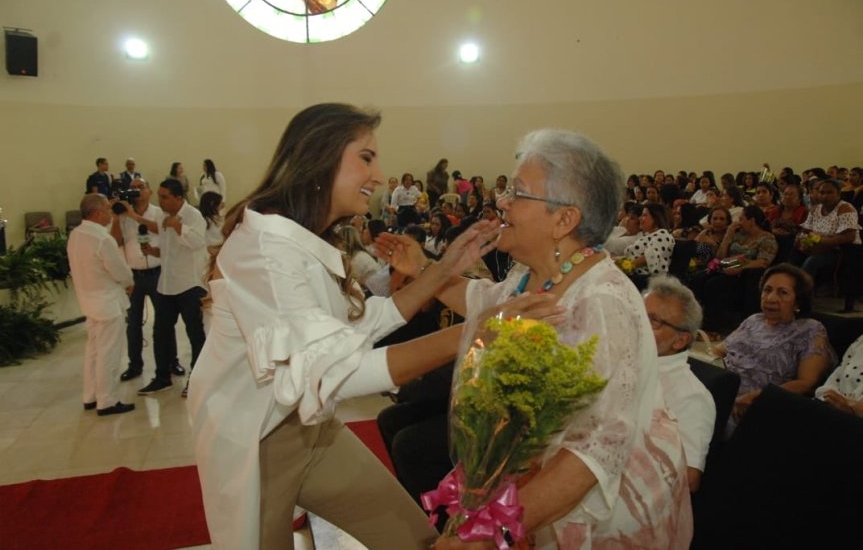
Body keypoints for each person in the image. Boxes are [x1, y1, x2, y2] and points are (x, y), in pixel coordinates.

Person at [186, 103, 546, 550]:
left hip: (311, 432)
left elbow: (358, 325)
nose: (379, 175)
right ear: (320, 158)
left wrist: (443, 268)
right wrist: (474, 331)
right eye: (366, 157)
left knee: (412, 539)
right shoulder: (264, 250)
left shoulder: (305, 239)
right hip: (257, 443)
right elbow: (337, 370)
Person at [382, 128, 692, 549]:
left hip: (593, 509)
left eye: (518, 192)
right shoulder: (533, 275)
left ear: (564, 219)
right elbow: (481, 301)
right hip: (526, 479)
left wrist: (491, 534)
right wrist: (422, 267)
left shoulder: (603, 304)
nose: (502, 201)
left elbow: (591, 456)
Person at [711, 264, 836, 422]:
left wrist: (758, 397)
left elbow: (806, 383)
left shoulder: (809, 329)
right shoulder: (753, 320)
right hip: (721, 393)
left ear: (798, 302)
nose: (771, 299)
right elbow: (719, 351)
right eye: (767, 290)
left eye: (782, 293)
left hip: (757, 407)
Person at [643, 276, 716, 493]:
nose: (637, 323)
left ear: (680, 340)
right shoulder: (622, 359)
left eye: (653, 321)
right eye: (638, 313)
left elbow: (688, 479)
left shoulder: (692, 396)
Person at [138, 178, 208, 398]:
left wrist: (179, 226)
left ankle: (196, 379)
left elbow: (197, 243)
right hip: (166, 285)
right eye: (160, 196)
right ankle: (162, 377)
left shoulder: (193, 216)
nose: (161, 201)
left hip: (189, 285)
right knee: (160, 333)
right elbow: (168, 251)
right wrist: (151, 251)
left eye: (165, 196)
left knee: (195, 334)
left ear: (179, 197)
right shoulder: (161, 217)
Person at [67, 193, 135, 416]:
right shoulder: (102, 239)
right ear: (96, 213)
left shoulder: (76, 235)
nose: (110, 212)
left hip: (88, 301)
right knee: (109, 353)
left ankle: (90, 396)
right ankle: (107, 400)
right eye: (107, 208)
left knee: (94, 350)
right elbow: (120, 271)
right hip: (107, 303)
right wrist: (129, 282)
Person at [109, 178, 165, 382]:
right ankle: (134, 365)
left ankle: (170, 362)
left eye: (140, 188)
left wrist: (135, 216)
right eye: (132, 189)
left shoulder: (158, 212)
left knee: (164, 321)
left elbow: (162, 230)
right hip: (133, 276)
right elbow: (116, 242)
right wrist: (117, 218)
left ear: (149, 191)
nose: (136, 192)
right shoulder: (122, 215)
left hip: (157, 272)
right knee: (133, 324)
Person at [689, 205, 777, 334]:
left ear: (752, 221)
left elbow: (763, 262)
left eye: (741, 219)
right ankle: (696, 319)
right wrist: (728, 235)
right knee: (698, 278)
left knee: (713, 285)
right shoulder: (739, 235)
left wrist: (741, 265)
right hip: (726, 267)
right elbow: (720, 257)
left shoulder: (767, 238)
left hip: (745, 274)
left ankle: (714, 326)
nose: (738, 223)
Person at [791, 178, 861, 281]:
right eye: (822, 192)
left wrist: (822, 242)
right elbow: (805, 230)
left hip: (842, 250)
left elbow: (849, 236)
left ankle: (803, 291)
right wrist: (800, 240)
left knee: (812, 262)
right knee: (793, 254)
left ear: (838, 194)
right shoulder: (815, 209)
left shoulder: (845, 209)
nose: (825, 196)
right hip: (818, 245)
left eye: (830, 192)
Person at [620, 202, 676, 286]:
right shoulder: (647, 235)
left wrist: (626, 266)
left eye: (644, 215)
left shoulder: (662, 234)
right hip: (634, 274)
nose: (640, 219)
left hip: (646, 279)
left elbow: (649, 256)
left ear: (656, 218)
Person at [815, 334, 863, 416]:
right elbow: (834, 380)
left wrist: (851, 407)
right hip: (832, 410)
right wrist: (829, 398)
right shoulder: (860, 342)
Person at [199, 191, 225, 255]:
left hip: (220, 248)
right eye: (220, 203)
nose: (222, 204)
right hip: (210, 251)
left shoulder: (217, 218)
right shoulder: (203, 221)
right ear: (212, 204)